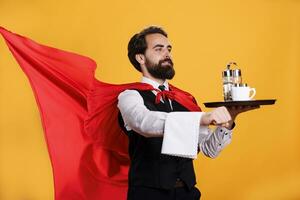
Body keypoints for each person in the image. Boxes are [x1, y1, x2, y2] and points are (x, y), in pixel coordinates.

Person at [117, 26, 258, 200]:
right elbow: (144, 123)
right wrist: (203, 118)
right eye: (158, 49)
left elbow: (209, 149)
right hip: (148, 194)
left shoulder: (184, 99)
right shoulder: (129, 96)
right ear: (140, 57)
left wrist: (229, 119)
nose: (167, 53)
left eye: (168, 49)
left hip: (187, 193)